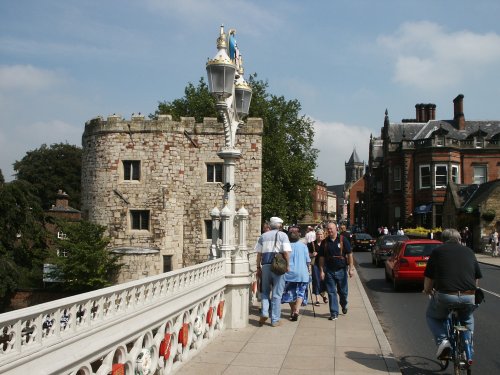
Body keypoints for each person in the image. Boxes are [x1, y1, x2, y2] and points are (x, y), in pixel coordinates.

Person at [423, 228, 482, 359]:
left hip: (446, 295)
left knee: (433, 316)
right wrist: (473, 290)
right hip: (469, 294)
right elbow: (476, 277)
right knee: (467, 318)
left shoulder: (437, 252)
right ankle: (468, 345)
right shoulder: (469, 251)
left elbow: (429, 277)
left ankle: (443, 341)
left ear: (442, 240)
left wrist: (427, 290)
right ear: (459, 239)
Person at [254, 216, 292, 327]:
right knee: (277, 293)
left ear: (270, 226)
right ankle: (275, 320)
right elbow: (286, 252)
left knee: (265, 291)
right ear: (280, 226)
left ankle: (265, 312)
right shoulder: (283, 235)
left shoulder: (263, 236)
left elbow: (258, 254)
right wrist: (288, 265)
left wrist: (258, 267)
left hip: (265, 266)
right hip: (278, 267)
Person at [318, 222, 354, 320]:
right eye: (328, 229)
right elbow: (321, 258)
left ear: (336, 229)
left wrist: (351, 268)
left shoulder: (343, 240)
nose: (329, 230)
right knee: (331, 292)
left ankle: (344, 304)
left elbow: (350, 254)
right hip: (329, 271)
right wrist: (321, 271)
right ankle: (334, 313)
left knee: (343, 292)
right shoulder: (324, 242)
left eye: (331, 229)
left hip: (341, 270)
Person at [281, 226, 311, 321]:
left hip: (289, 274)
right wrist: (308, 268)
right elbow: (308, 260)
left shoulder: (286, 246)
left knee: (289, 293)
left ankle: (292, 310)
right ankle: (297, 310)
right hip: (302, 273)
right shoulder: (303, 246)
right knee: (300, 293)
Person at [308, 228, 328, 306]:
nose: (320, 236)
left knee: (323, 280)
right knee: (316, 280)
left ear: (323, 235)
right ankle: (317, 299)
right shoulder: (311, 244)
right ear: (316, 235)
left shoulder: (326, 243)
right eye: (318, 234)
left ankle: (323, 295)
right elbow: (307, 254)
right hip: (315, 265)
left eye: (321, 234)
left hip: (324, 265)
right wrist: (312, 254)